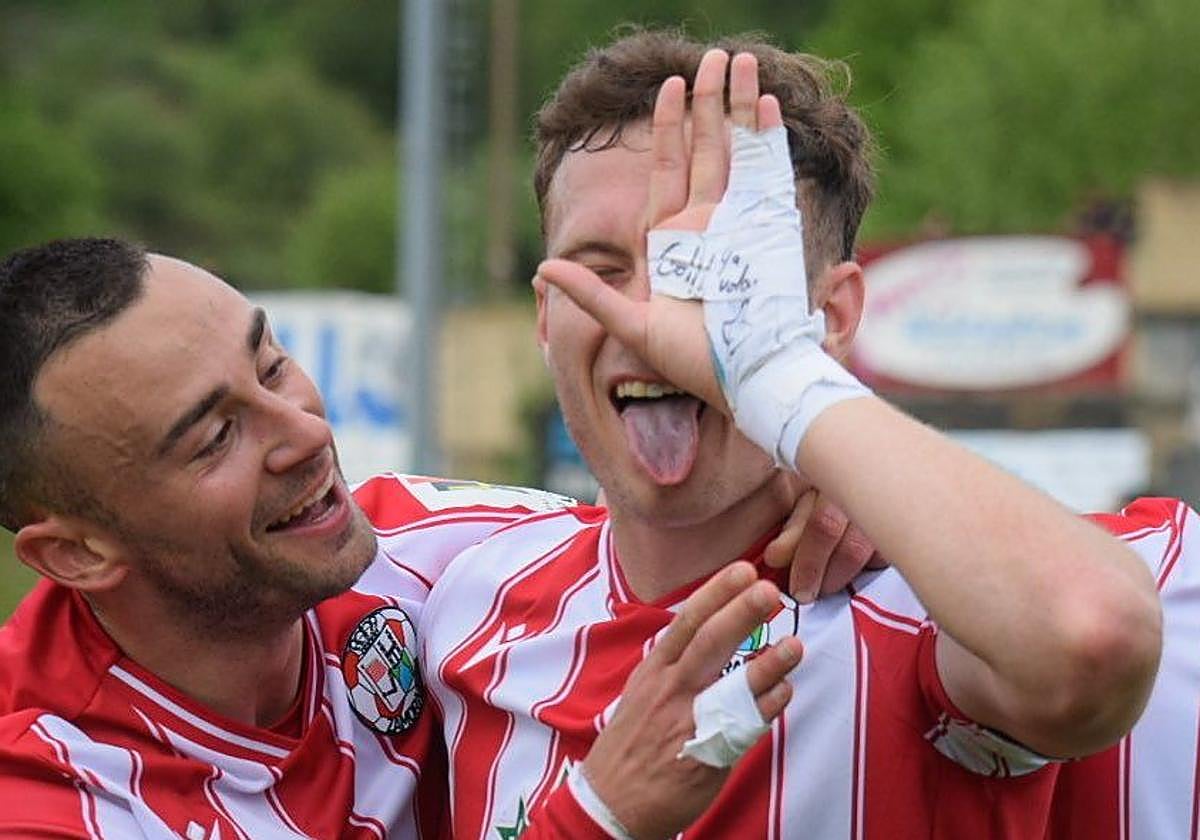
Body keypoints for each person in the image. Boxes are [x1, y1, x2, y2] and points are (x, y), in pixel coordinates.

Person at [420, 31, 1180, 839]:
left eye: (709, 269)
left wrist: (777, 375)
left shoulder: (937, 613)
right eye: (601, 270)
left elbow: (1093, 636)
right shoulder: (459, 604)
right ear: (545, 315)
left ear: (835, 317)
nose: (650, 320)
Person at [0, 235, 881, 837]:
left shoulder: (427, 549)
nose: (304, 431)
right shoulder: (44, 796)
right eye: (215, 437)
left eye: (271, 366)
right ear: (77, 553)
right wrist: (604, 817)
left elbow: (683, 541)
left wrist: (823, 478)